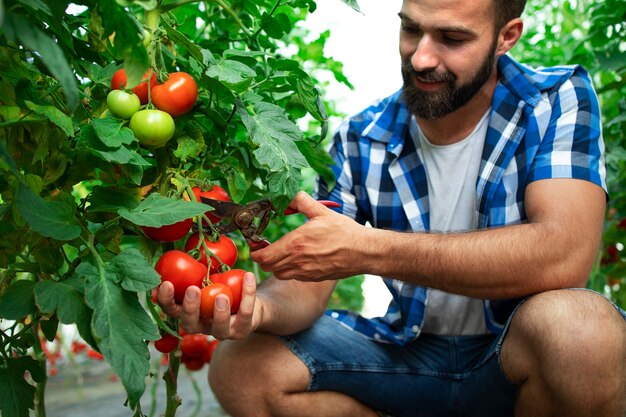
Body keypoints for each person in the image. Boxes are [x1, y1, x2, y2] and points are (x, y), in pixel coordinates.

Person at [158, 0, 626, 415]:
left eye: (452, 38)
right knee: (241, 367)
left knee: (583, 332)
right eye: (410, 29)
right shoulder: (360, 137)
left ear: (507, 37)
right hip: (406, 357)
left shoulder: (555, 101)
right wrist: (261, 310)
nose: (421, 57)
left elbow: (565, 254)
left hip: (511, 355)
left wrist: (369, 249)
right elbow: (307, 283)